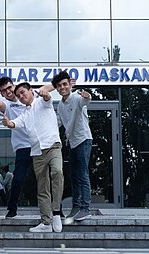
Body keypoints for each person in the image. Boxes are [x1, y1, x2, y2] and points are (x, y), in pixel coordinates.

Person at [2, 82, 63, 233]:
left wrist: (46, 93)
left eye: (23, 92)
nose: (21, 97)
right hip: (36, 152)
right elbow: (13, 124)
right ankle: (46, 223)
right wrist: (7, 122)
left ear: (31, 91)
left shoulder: (42, 102)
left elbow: (48, 97)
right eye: (19, 96)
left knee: (57, 172)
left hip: (53, 146)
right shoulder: (24, 114)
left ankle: (56, 212)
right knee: (42, 187)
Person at [0, 77, 54, 218]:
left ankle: (56, 209)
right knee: (18, 178)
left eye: (9, 88)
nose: (8, 92)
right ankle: (12, 208)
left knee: (47, 178)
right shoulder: (7, 105)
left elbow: (46, 90)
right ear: (1, 93)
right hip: (23, 147)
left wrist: (63, 84)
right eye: (4, 90)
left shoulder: (31, 99)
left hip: (40, 144)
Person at [52, 71, 93, 221]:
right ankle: (76, 207)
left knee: (82, 174)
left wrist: (87, 96)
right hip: (72, 143)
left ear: (70, 84)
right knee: (74, 176)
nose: (62, 87)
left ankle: (85, 208)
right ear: (56, 88)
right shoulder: (61, 106)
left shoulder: (76, 98)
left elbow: (85, 101)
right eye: (59, 86)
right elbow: (57, 123)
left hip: (83, 140)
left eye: (65, 84)